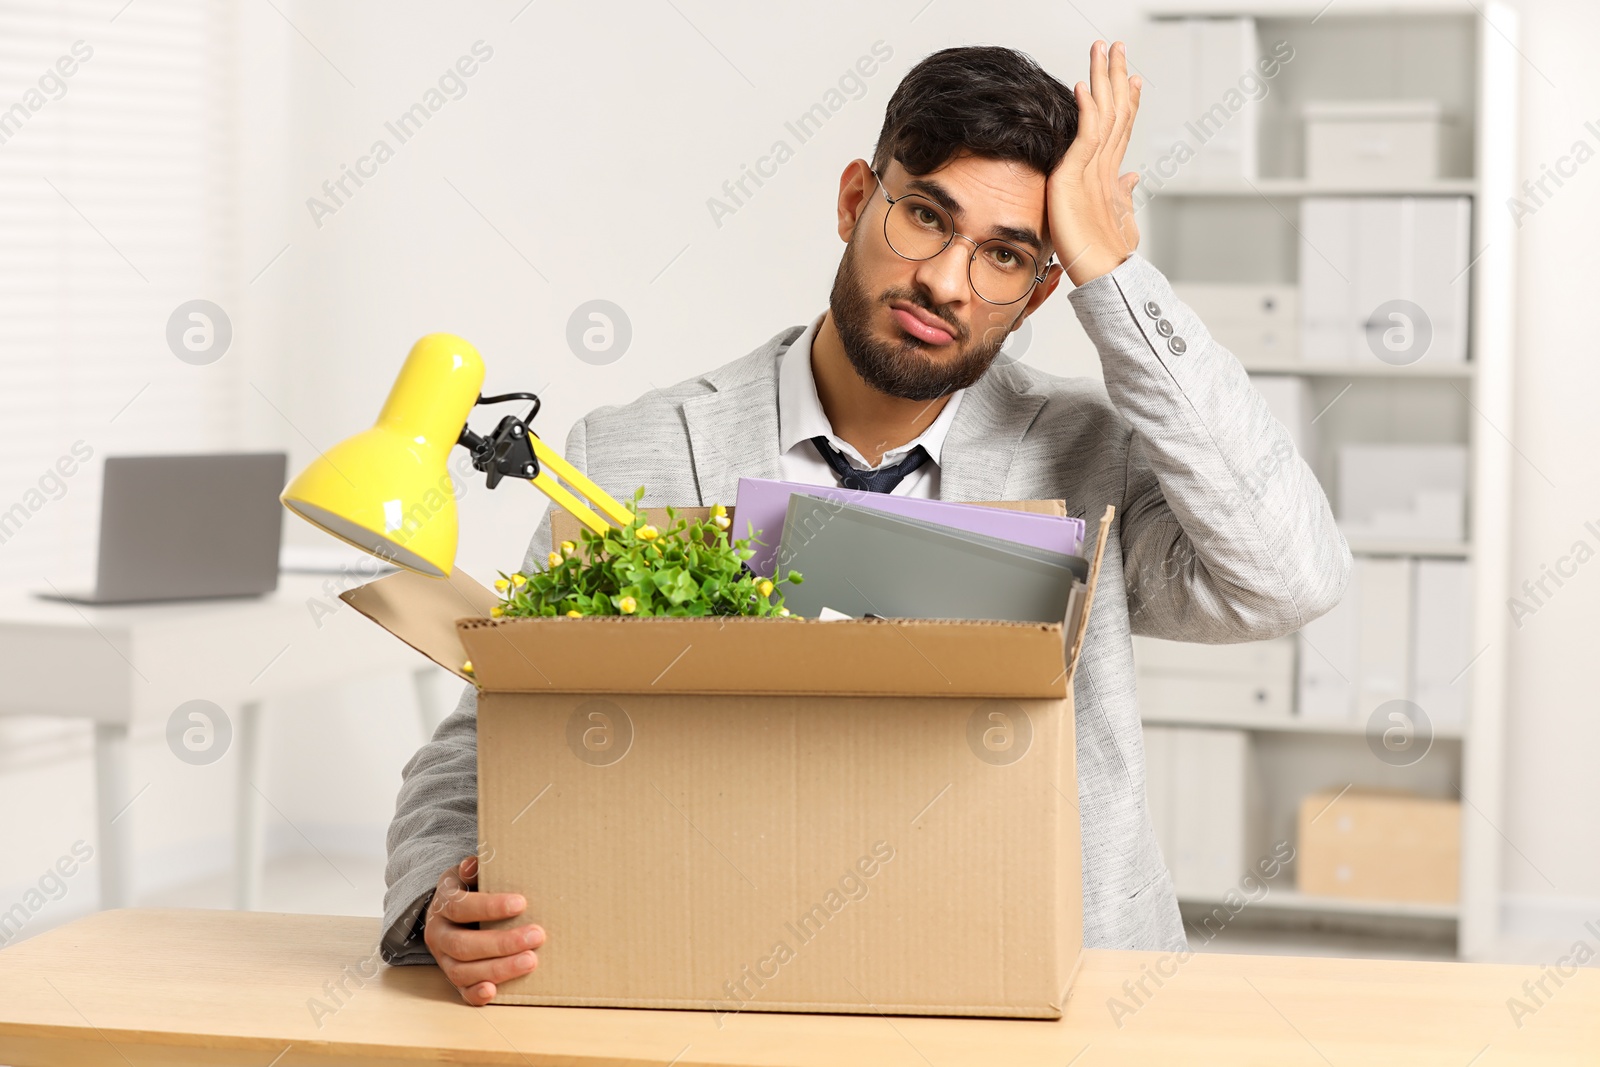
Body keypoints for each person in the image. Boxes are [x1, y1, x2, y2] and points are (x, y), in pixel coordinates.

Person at [379, 39, 1350, 1006]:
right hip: (735, 971)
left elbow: (1289, 574)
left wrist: (1117, 276)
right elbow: (493, 725)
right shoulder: (624, 455)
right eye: (925, 216)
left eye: (1006, 255)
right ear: (856, 200)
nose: (946, 282)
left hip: (1055, 983)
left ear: (1044, 287)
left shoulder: (1091, 456)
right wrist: (434, 898)